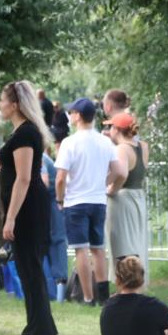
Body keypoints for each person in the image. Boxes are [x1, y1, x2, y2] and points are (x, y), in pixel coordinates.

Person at [0, 81, 59, 335]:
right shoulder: (23, 132)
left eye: (2, 100)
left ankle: (37, 333)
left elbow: (23, 178)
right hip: (28, 204)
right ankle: (39, 328)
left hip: (27, 207)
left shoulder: (25, 133)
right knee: (27, 268)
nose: (0, 105)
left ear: (15, 104)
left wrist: (10, 218)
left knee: (30, 268)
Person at [54, 97, 125, 306]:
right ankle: (103, 296)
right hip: (98, 200)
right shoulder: (105, 141)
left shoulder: (69, 143)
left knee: (81, 249)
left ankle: (88, 296)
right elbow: (119, 171)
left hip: (76, 201)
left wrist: (59, 199)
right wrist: (103, 183)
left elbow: (60, 178)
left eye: (72, 113)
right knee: (98, 248)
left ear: (77, 116)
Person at [105, 112, 150, 280]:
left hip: (123, 199)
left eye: (111, 127)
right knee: (136, 239)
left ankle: (127, 281)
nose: (109, 130)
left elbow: (122, 174)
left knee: (123, 242)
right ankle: (137, 280)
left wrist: (111, 190)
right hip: (138, 196)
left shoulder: (122, 149)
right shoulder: (143, 146)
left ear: (117, 130)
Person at [41, 151, 68, 299]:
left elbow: (44, 182)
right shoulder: (42, 156)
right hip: (51, 200)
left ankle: (57, 291)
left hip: (52, 200)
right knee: (55, 243)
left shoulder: (39, 157)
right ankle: (56, 290)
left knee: (56, 242)